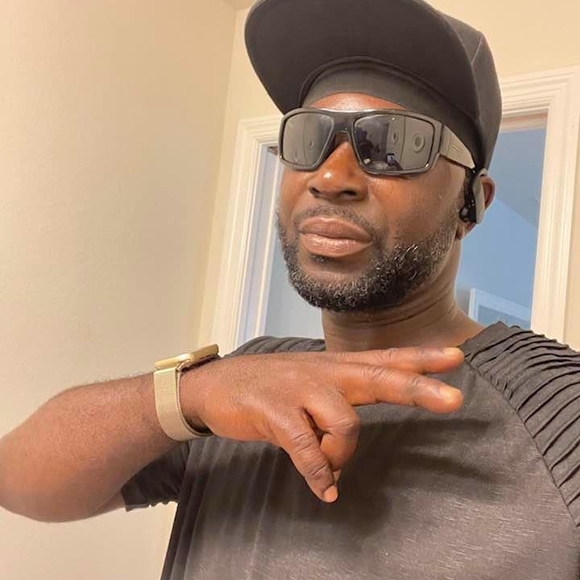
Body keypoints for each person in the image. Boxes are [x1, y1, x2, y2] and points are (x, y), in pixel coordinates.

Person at [1, 0, 579, 578]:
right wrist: (192, 394)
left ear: (471, 204)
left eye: (395, 143)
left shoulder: (559, 413)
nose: (330, 177)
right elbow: (17, 481)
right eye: (308, 137)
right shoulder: (245, 386)